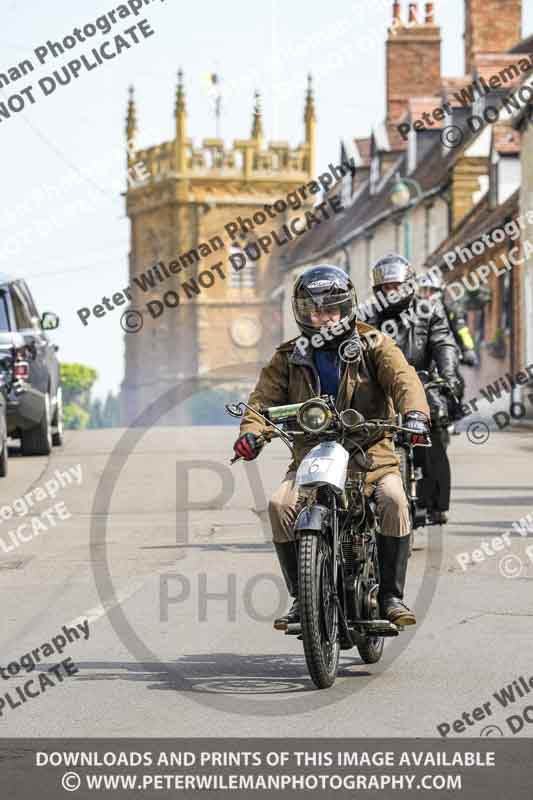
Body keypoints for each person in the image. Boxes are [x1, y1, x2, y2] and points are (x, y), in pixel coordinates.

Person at [233, 263, 431, 629]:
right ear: (302, 313)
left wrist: (415, 414)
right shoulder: (288, 356)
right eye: (314, 310)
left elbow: (405, 380)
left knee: (394, 500)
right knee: (279, 505)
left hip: (371, 456)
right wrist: (250, 432)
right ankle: (301, 597)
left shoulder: (375, 344)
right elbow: (261, 403)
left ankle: (390, 595)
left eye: (331, 309)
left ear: (346, 308)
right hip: (311, 456)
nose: (323, 318)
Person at [365, 254, 460, 525]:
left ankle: (435, 502)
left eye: (397, 286)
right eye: (387, 287)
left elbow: (444, 344)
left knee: (436, 422)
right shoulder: (368, 316)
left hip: (421, 380)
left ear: (409, 285)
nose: (392, 292)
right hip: (381, 385)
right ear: (378, 290)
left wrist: (448, 376)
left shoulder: (429, 311)